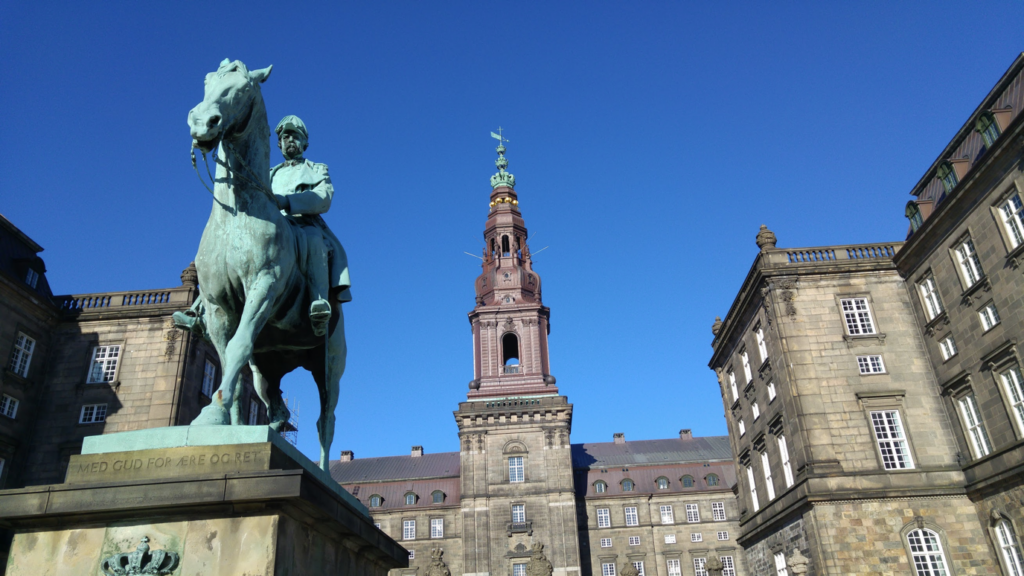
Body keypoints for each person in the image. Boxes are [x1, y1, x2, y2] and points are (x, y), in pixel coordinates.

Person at [270, 115, 351, 336]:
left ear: (305, 142)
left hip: (303, 225)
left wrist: (288, 201)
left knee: (315, 241)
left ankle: (319, 302)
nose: (290, 140)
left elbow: (323, 198)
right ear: (279, 143)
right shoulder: (269, 174)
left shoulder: (316, 169)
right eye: (285, 137)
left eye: (295, 136)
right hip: (272, 226)